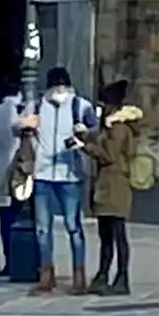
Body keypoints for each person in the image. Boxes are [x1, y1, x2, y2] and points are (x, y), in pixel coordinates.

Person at [86, 80, 145, 300]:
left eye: (103, 104)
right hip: (107, 185)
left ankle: (121, 278)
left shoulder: (118, 128)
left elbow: (109, 155)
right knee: (106, 235)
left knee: (117, 234)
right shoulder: (110, 127)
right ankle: (102, 275)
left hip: (115, 184)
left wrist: (87, 147)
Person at [31, 70, 88, 296]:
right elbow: (21, 128)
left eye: (63, 86)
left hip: (69, 174)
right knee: (42, 228)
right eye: (55, 86)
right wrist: (23, 126)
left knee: (73, 227)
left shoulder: (80, 106)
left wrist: (83, 133)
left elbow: (94, 130)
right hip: (42, 174)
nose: (59, 90)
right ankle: (46, 274)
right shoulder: (36, 106)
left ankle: (79, 275)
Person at [0, 79, 38, 287]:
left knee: (5, 219)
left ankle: (8, 262)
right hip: (22, 169)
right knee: (25, 215)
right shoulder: (27, 112)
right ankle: (28, 261)